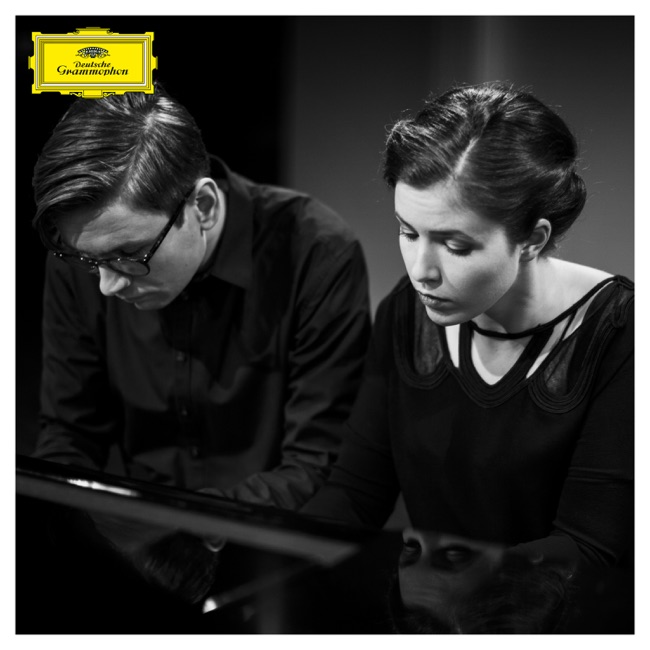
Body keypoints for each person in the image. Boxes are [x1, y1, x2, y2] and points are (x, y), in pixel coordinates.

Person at [302, 82, 634, 569]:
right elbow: (355, 491)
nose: (421, 270)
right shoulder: (406, 312)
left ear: (533, 239)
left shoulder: (620, 333)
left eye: (455, 246)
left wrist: (446, 588)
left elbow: (587, 549)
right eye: (407, 232)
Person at [31, 85, 371, 509]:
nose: (106, 285)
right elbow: (69, 435)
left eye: (130, 255)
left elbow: (316, 465)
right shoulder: (84, 255)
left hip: (268, 536)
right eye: (88, 260)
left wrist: (181, 529)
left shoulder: (316, 253)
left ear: (204, 207)